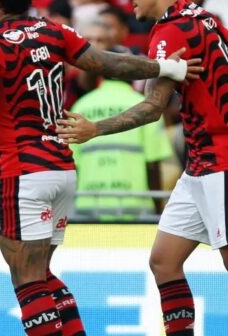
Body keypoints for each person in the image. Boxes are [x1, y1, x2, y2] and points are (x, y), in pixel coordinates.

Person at [0, 0, 200, 334]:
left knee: (27, 280)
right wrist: (163, 68)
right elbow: (108, 63)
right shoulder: (53, 31)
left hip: (22, 172)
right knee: (40, 275)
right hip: (61, 169)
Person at [57, 1, 228, 335]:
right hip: (201, 164)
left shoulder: (169, 32)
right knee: (164, 261)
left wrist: (96, 129)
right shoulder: (201, 17)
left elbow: (153, 108)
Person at [71, 47, 174, 220]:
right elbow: (153, 165)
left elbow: (73, 163)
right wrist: (158, 211)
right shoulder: (145, 107)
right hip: (135, 207)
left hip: (88, 206)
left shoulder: (81, 106)